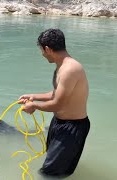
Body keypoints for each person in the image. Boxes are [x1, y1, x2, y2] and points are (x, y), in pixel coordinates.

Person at [18, 28, 90, 177]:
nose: (42, 54)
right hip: (60, 123)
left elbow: (58, 104)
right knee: (53, 168)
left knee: (50, 173)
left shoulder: (69, 69)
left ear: (48, 49)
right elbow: (58, 94)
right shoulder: (62, 66)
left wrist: (34, 106)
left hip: (72, 128)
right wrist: (34, 96)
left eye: (42, 50)